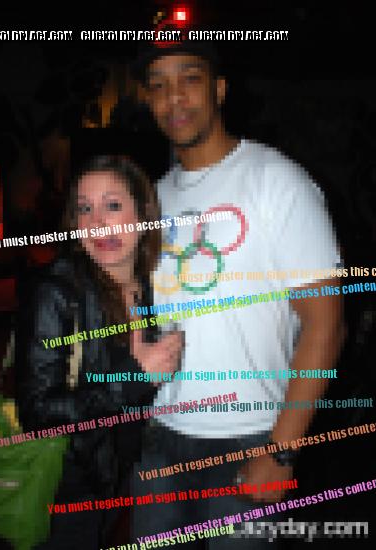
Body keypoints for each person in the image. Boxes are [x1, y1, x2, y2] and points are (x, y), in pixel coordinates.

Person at [130, 42, 344, 548]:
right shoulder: (153, 197)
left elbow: (326, 324)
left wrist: (282, 450)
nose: (174, 97)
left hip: (250, 439)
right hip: (161, 438)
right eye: (158, 86)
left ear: (220, 89)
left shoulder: (276, 181)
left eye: (190, 79)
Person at [15, 155, 183, 549]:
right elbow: (36, 412)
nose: (97, 223)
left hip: (117, 473)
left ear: (143, 214)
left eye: (112, 205)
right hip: (66, 482)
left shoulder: (151, 285)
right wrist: (132, 380)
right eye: (84, 209)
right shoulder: (58, 293)